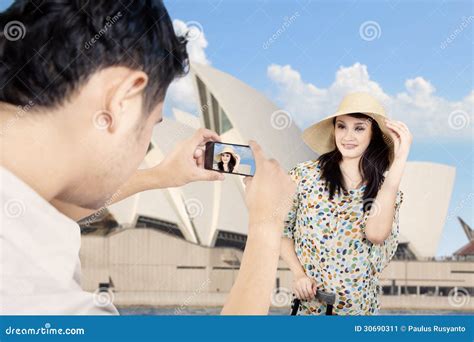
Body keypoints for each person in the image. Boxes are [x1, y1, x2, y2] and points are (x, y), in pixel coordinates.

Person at [0, 0, 295, 315]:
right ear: (121, 99)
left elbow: (39, 209)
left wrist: (161, 175)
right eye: (151, 126)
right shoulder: (46, 303)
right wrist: (266, 224)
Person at [280, 92, 412, 315]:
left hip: (360, 314)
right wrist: (298, 274)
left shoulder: (386, 192)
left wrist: (400, 160)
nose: (348, 136)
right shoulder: (304, 176)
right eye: (341, 126)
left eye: (359, 128)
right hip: (310, 310)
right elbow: (281, 229)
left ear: (373, 135)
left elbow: (376, 235)